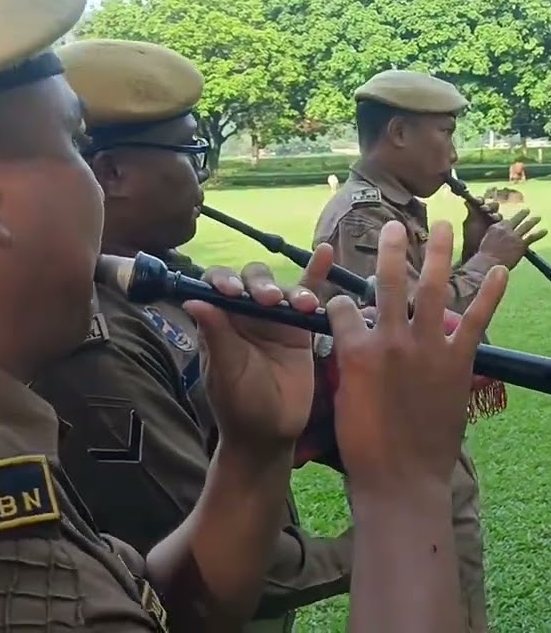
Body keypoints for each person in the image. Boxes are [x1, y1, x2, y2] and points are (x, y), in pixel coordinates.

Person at [0, 0, 507, 633]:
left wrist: (249, 453)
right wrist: (405, 494)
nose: (96, 186)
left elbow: (148, 599)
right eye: (78, 147)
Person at [30, 37, 353, 631]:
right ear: (113, 172)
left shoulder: (175, 277)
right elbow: (200, 559)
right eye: (190, 153)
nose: (204, 173)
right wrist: (385, 534)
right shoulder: (93, 339)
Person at [312, 68, 546, 632]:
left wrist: (469, 252)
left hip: (416, 438)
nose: (453, 149)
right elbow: (418, 334)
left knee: (453, 579)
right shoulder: (365, 219)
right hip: (401, 445)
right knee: (439, 588)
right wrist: (487, 262)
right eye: (444, 132)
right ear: (398, 132)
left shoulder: (396, 210)